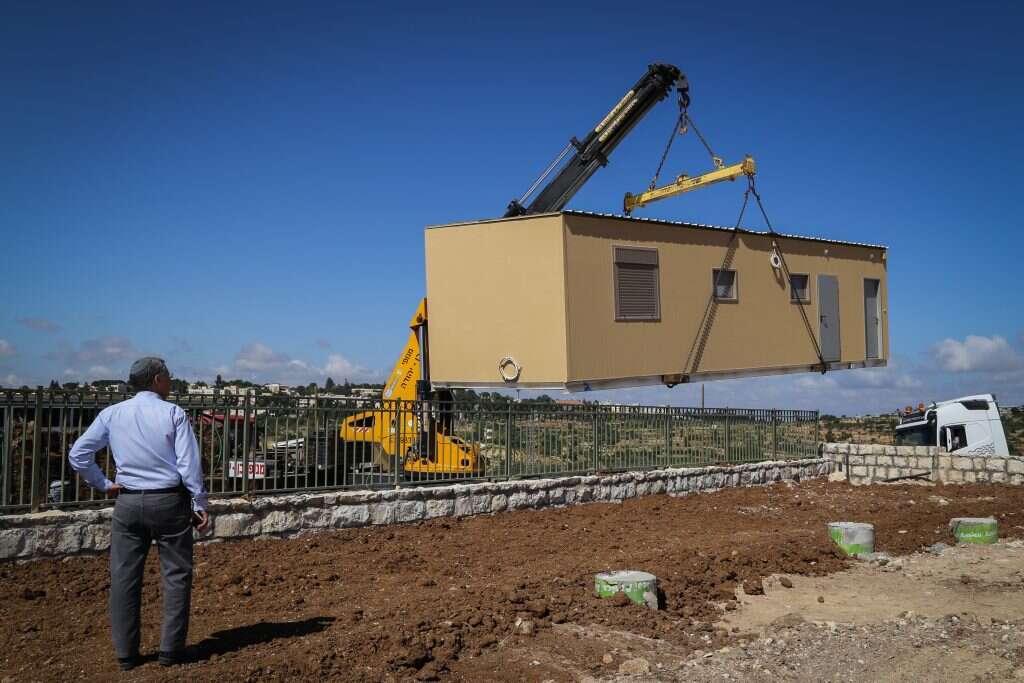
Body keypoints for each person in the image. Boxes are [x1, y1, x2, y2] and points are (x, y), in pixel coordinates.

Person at [68, 357, 210, 671]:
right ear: (157, 379)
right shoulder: (173, 412)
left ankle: (127, 655)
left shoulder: (112, 414)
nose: (171, 381)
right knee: (176, 576)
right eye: (169, 376)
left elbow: (78, 455)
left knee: (124, 578)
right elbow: (188, 465)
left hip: (128, 503)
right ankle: (170, 652)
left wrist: (104, 484)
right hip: (169, 503)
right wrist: (199, 504)